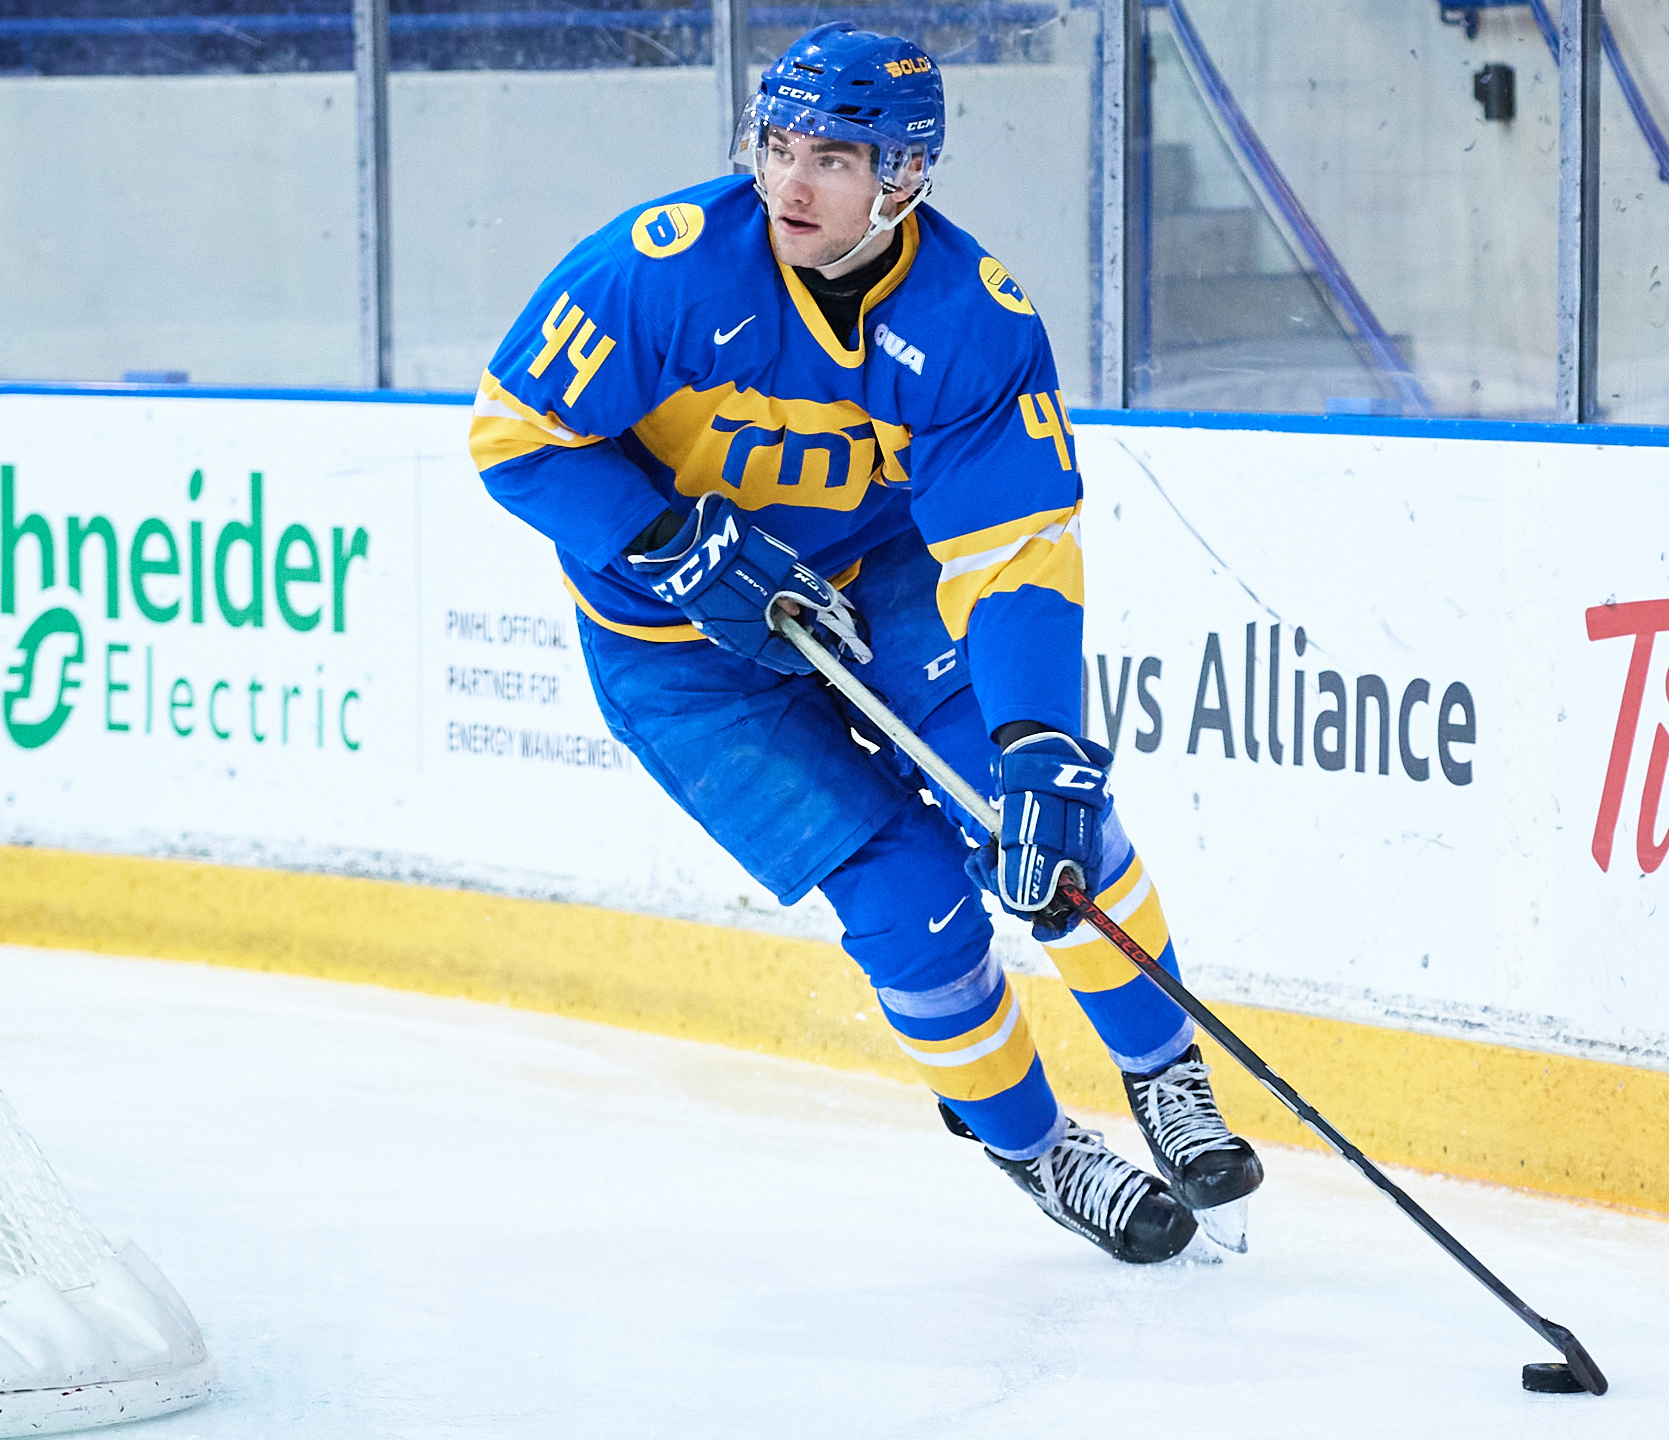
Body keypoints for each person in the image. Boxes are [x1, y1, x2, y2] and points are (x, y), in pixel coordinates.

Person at [469, 21, 1263, 1263]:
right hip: (673, 647)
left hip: (878, 582)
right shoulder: (657, 269)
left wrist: (1040, 735)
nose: (790, 181)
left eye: (833, 156)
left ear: (903, 175)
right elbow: (512, 435)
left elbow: (1010, 555)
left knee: (1041, 817)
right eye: (778, 144)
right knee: (909, 903)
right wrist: (667, 539)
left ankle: (1166, 1073)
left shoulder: (969, 315)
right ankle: (1036, 1146)